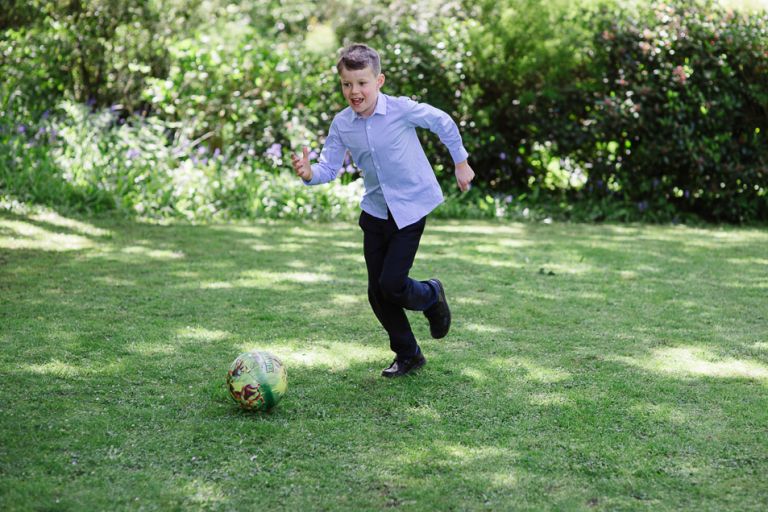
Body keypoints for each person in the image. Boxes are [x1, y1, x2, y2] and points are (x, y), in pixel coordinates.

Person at [291, 43, 475, 377]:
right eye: (347, 84)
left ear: (379, 81)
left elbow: (443, 121)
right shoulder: (343, 124)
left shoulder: (401, 110)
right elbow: (328, 168)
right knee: (377, 293)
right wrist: (308, 173)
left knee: (392, 284)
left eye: (362, 83)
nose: (354, 91)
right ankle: (409, 354)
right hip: (375, 212)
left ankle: (432, 295)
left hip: (410, 208)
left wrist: (460, 162)